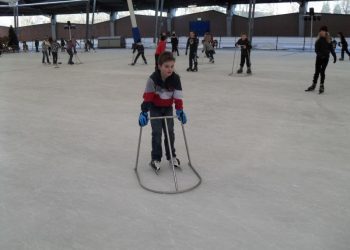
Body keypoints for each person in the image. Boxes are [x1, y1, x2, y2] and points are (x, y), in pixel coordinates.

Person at [138, 51, 187, 173]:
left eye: (172, 66)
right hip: (155, 108)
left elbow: (178, 97)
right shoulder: (153, 80)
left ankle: (171, 156)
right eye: (166, 66)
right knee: (157, 133)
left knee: (170, 132)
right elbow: (148, 97)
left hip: (168, 108)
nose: (170, 69)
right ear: (159, 66)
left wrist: (180, 110)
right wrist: (144, 112)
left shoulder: (176, 79)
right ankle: (155, 159)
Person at [305, 26, 336, 94]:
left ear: (326, 32)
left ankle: (322, 85)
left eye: (323, 31)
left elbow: (331, 49)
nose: (321, 32)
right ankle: (314, 84)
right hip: (319, 58)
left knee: (322, 72)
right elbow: (316, 50)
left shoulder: (329, 40)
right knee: (317, 72)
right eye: (321, 31)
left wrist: (334, 56)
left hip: (326, 58)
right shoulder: (318, 40)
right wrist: (320, 55)